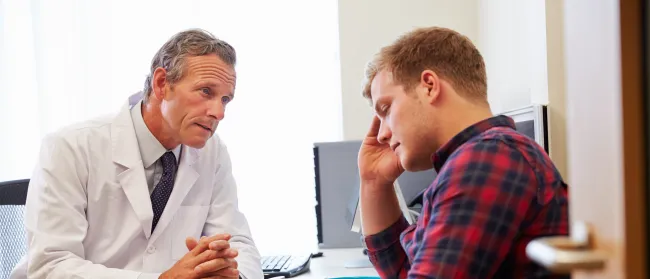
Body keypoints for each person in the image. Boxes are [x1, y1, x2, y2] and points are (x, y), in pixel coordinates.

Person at [10, 29, 262, 279]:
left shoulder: (213, 153)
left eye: (226, 99)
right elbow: (51, 266)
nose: (219, 113)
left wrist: (229, 273)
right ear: (162, 83)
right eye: (206, 91)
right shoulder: (69, 148)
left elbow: (238, 240)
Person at [357, 27, 569, 278]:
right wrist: (374, 183)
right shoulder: (475, 159)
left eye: (386, 109)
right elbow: (403, 270)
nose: (381, 134)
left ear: (429, 86)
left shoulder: (488, 159)